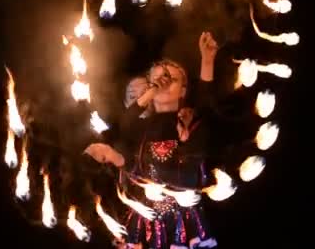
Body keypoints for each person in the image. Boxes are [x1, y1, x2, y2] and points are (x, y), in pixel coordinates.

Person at [86, 32, 220, 249]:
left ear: (183, 90)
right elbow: (127, 126)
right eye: (158, 80)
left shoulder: (190, 121)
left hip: (185, 219)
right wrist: (152, 90)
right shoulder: (141, 128)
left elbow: (206, 101)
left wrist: (206, 60)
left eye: (172, 79)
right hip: (147, 220)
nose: (165, 84)